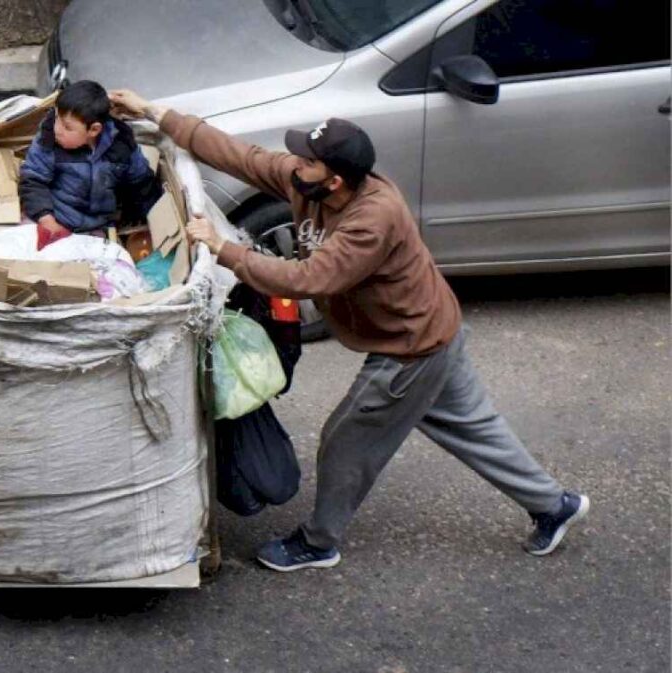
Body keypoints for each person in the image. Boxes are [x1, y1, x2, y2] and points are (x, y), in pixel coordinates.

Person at [109, 89, 590, 572]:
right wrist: (155, 112)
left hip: (410, 347)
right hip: (435, 330)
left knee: (345, 443)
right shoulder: (310, 182)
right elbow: (244, 157)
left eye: (306, 160)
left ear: (335, 179)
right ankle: (555, 506)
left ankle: (318, 542)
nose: (294, 163)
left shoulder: (372, 219)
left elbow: (308, 279)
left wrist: (223, 248)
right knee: (475, 429)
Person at [19, 80, 162, 251]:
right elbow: (33, 180)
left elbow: (142, 184)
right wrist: (46, 220)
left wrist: (151, 223)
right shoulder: (48, 137)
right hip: (53, 219)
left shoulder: (122, 144)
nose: (58, 129)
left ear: (94, 130)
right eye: (57, 118)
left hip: (96, 228)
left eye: (67, 127)